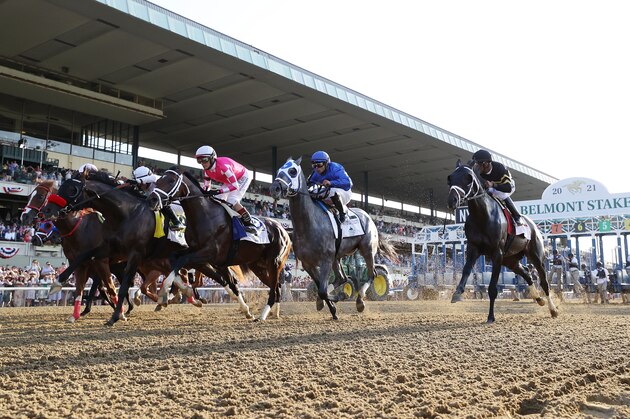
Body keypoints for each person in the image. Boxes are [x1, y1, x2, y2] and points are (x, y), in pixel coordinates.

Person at [194, 146, 257, 234]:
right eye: (199, 161)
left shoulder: (224, 167)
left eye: (204, 160)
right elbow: (206, 187)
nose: (202, 163)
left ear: (212, 158)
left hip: (242, 177)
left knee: (232, 200)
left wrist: (218, 191)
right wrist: (204, 193)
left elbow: (235, 186)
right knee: (216, 199)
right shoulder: (207, 170)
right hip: (229, 181)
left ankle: (249, 223)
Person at [471, 149, 522, 224]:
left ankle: (517, 216)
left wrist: (493, 185)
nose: (476, 166)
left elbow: (508, 188)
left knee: (499, 193)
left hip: (507, 186)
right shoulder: (477, 171)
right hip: (491, 189)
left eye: (478, 164)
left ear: (485, 164)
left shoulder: (500, 168)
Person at [126, 166, 184, 231]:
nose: (139, 185)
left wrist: (137, 181)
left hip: (177, 206)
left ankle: (176, 222)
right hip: (166, 203)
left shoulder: (155, 179)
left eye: (140, 183)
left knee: (158, 202)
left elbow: (151, 178)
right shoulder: (146, 187)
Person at [307, 150, 353, 222]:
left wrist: (331, 183)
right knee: (311, 192)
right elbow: (309, 184)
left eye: (319, 165)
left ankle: (342, 213)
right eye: (314, 165)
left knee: (332, 191)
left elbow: (348, 183)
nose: (317, 168)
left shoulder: (336, 168)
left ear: (326, 163)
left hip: (344, 192)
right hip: (327, 192)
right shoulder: (315, 172)